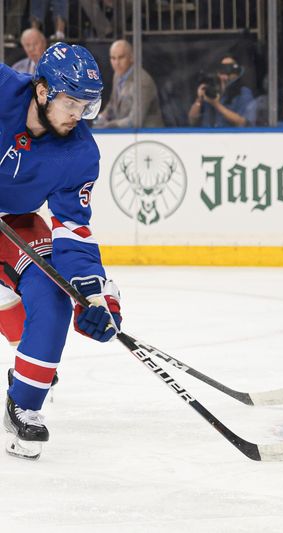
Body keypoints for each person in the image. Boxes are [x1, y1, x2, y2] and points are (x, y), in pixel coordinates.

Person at [0, 43, 123, 459]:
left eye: (87, 106)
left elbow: (72, 227)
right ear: (41, 91)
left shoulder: (80, 153)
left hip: (10, 222)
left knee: (51, 299)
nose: (77, 115)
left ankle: (25, 405)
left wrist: (93, 296)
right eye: (70, 102)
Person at [93, 40, 164, 129]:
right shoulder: (117, 75)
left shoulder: (142, 81)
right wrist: (101, 117)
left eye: (121, 57)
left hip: (148, 136)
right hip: (125, 134)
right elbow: (113, 103)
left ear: (131, 57)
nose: (117, 63)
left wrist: (110, 125)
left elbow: (135, 120)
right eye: (113, 58)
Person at [188, 55, 254, 128]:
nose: (225, 75)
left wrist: (216, 104)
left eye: (229, 71)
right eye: (222, 70)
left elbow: (243, 122)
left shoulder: (243, 92)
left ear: (236, 74)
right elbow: (192, 120)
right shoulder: (210, 89)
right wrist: (199, 100)